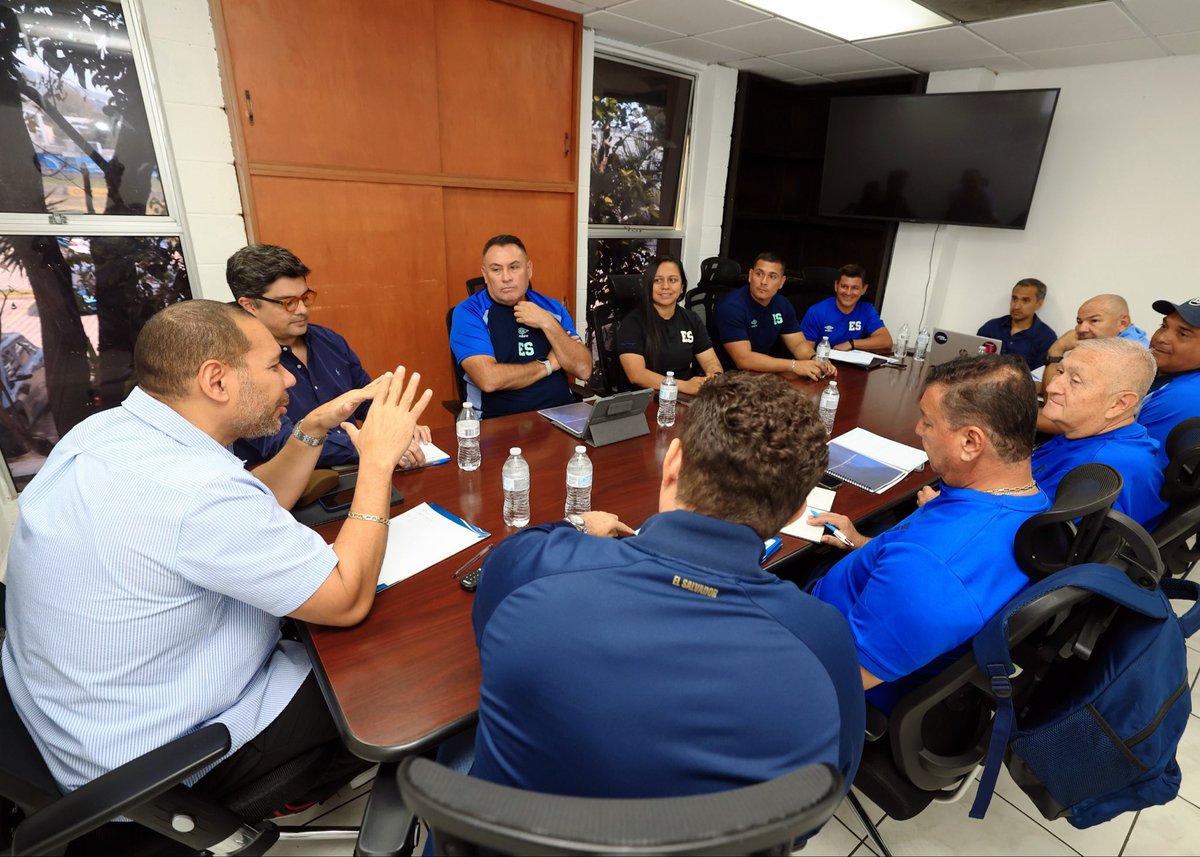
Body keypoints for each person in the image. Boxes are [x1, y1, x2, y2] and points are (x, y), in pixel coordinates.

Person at [2, 301, 431, 831]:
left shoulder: (107, 433)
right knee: (407, 662)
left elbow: (251, 505)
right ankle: (302, 786)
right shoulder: (196, 492)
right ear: (216, 380)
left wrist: (313, 430)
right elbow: (345, 599)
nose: (289, 384)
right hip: (155, 766)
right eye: (274, 367)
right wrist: (377, 463)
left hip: (75, 722)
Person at [470, 373, 864, 801]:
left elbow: (491, 620)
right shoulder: (822, 641)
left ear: (672, 462)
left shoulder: (530, 571)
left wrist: (579, 525)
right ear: (797, 511)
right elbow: (821, 799)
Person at [810, 355, 1050, 711]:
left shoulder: (933, 566)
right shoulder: (1026, 497)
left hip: (820, 656)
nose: (919, 430)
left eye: (928, 421)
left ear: (971, 441)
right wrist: (862, 544)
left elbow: (838, 677)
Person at [227, 243, 429, 469]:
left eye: (305, 298)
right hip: (293, 488)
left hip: (358, 467)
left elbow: (366, 400)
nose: (302, 310)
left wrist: (397, 425)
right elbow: (281, 443)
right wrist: (365, 445)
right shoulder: (238, 363)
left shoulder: (329, 341)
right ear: (249, 305)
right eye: (288, 303)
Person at [449, 234, 591, 419]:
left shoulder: (552, 308)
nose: (506, 277)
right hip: (500, 423)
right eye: (496, 269)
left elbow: (583, 369)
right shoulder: (469, 312)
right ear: (485, 274)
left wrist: (547, 322)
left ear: (529, 269)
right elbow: (489, 379)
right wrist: (549, 364)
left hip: (563, 416)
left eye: (514, 267)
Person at [1034, 338, 1166, 529]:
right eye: (1060, 372)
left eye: (1075, 381)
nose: (1051, 387)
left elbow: (1032, 539)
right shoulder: (1115, 432)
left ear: (1119, 404)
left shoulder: (1094, 470)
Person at [713, 252, 834, 380]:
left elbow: (798, 344)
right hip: (729, 378)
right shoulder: (731, 307)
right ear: (750, 275)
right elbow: (744, 360)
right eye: (759, 274)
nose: (764, 282)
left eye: (772, 277)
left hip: (762, 374)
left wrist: (815, 359)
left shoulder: (782, 304)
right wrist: (793, 365)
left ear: (782, 282)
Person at [616, 256, 722, 395]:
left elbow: (709, 360)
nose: (665, 286)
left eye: (672, 280)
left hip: (684, 397)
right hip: (648, 399)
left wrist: (714, 376)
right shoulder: (633, 323)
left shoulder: (692, 319)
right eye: (657, 280)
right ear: (648, 285)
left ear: (682, 286)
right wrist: (683, 386)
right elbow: (636, 374)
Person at [1138, 296, 1200, 466]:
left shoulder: (1181, 397)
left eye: (1182, 333)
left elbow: (1140, 467)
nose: (1161, 338)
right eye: (1163, 326)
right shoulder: (1164, 373)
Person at [1040, 294, 1149, 389]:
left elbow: (1053, 395)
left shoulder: (1128, 356)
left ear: (1123, 323)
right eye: (1079, 321)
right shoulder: (1101, 342)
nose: (1082, 329)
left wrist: (1057, 349)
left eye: (1094, 320)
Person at [800, 263, 893, 352]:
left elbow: (886, 341)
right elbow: (804, 352)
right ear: (836, 286)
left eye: (855, 288)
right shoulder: (816, 312)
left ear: (863, 290)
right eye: (844, 286)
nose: (848, 292)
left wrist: (851, 343)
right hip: (823, 364)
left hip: (852, 365)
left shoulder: (867, 309)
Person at [976, 278, 1057, 370]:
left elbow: (1039, 379)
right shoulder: (991, 327)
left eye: (1025, 300)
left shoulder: (1046, 338)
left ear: (1039, 303)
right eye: (1014, 298)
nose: (1016, 306)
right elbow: (974, 359)